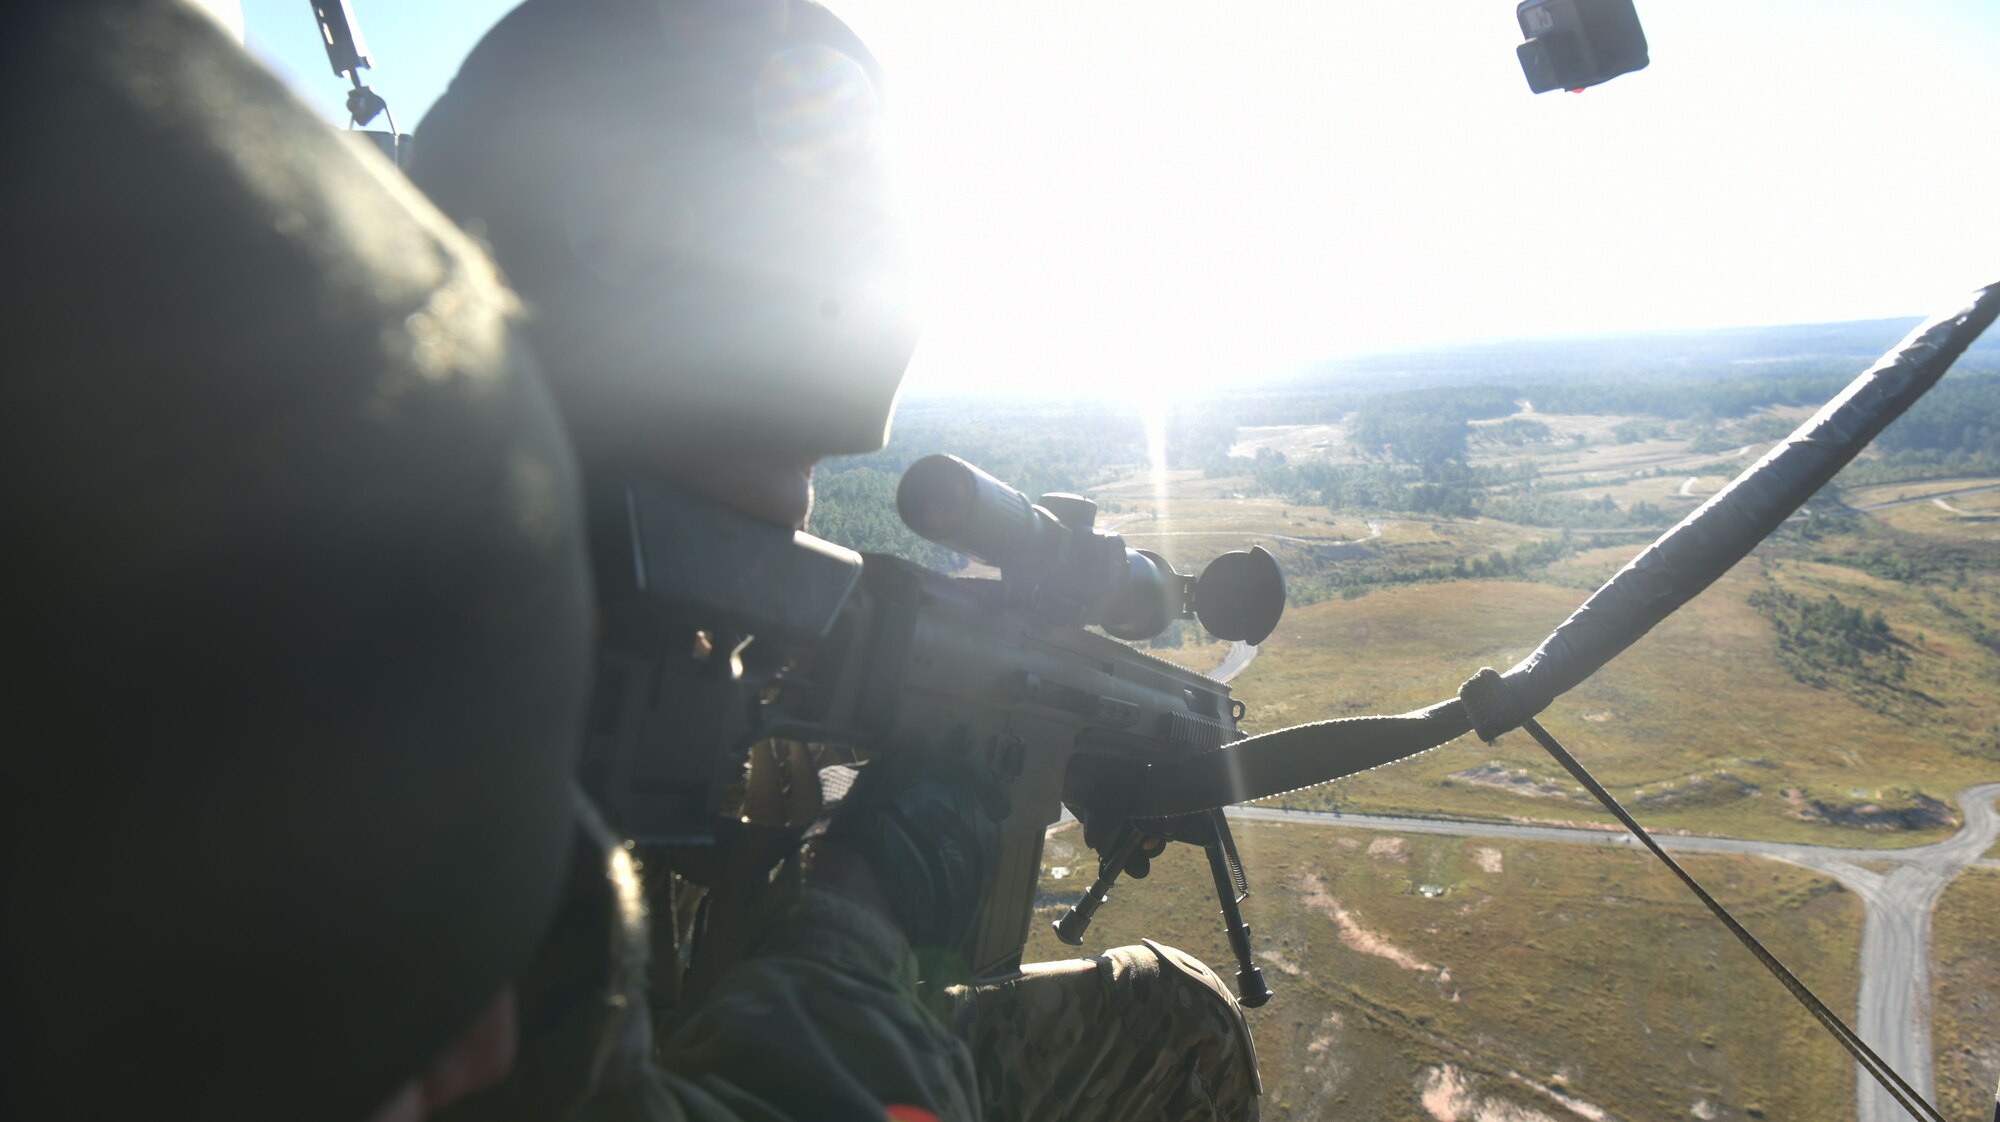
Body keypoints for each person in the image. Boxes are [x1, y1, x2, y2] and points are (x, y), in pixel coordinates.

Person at [410, 2, 1261, 1120]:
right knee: (1179, 1025)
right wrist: (865, 912)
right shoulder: (374, 749)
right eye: (730, 514)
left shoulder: (368, 576)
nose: (767, 557)